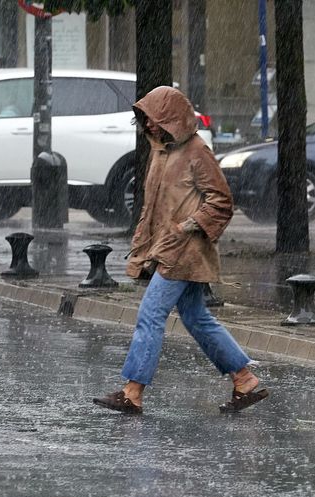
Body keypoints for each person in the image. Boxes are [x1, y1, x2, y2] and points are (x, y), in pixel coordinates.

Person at [93, 86, 269, 416]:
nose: (149, 126)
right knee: (196, 317)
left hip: (184, 250)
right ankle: (244, 379)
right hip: (168, 248)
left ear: (172, 118)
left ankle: (133, 392)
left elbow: (222, 200)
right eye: (145, 120)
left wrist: (190, 225)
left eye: (155, 120)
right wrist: (142, 244)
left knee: (150, 315)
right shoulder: (162, 152)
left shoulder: (196, 151)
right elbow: (153, 206)